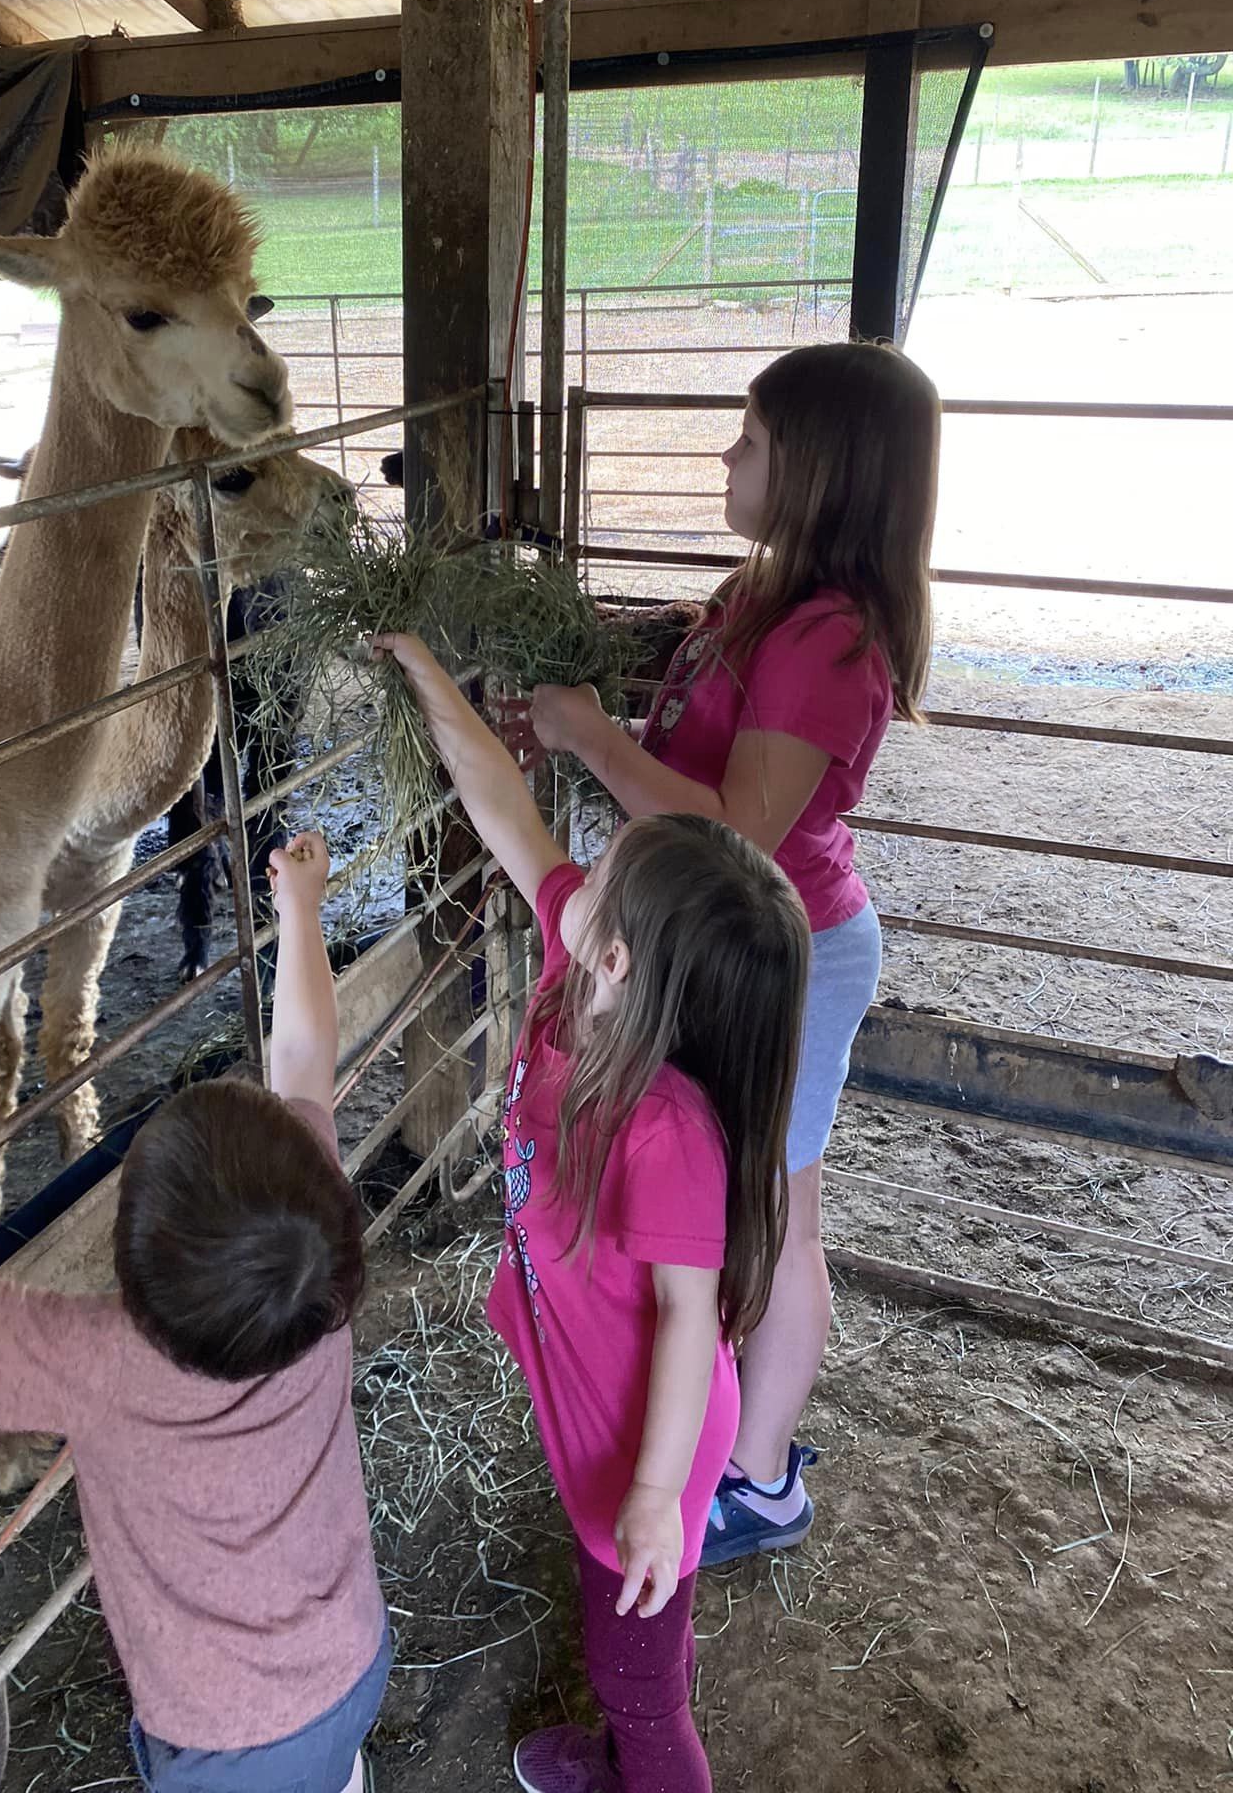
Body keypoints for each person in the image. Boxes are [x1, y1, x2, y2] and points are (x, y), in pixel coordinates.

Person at [506, 340, 940, 1567]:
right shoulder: (763, 594)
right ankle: (717, 1442)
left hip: (782, 950)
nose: (726, 454)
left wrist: (589, 737)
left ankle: (759, 1480)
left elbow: (737, 827)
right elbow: (691, 747)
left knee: (781, 1213)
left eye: (749, 438)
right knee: (728, 1202)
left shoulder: (832, 640)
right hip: (710, 942)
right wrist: (574, 716)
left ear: (817, 468)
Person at [377, 631, 809, 1793]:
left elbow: (684, 1321)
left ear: (619, 953)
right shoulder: (597, 978)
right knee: (617, 1606)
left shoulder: (668, 1133)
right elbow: (509, 815)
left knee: (643, 1673)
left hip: (648, 1423)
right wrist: (428, 676)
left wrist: (663, 1497)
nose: (576, 869)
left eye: (600, 865)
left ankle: (644, 1755)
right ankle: (617, 1740)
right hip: (602, 1390)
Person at [0, 832, 390, 1793]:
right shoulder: (316, 1274)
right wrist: (303, 913)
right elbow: (308, 1064)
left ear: (130, 1278)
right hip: (354, 1659)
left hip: (221, 1743)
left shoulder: (107, 1357)